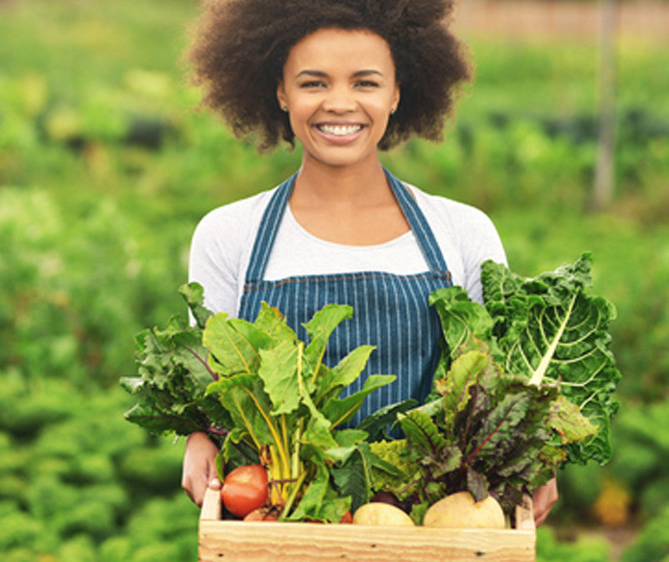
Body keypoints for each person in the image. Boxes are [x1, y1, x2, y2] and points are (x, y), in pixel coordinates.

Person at [177, 0, 559, 525]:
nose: (339, 103)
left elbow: (497, 383)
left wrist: (530, 454)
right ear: (280, 92)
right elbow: (214, 387)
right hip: (285, 524)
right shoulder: (228, 235)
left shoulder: (464, 232)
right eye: (313, 83)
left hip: (433, 529)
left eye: (365, 82)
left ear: (398, 92)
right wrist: (200, 436)